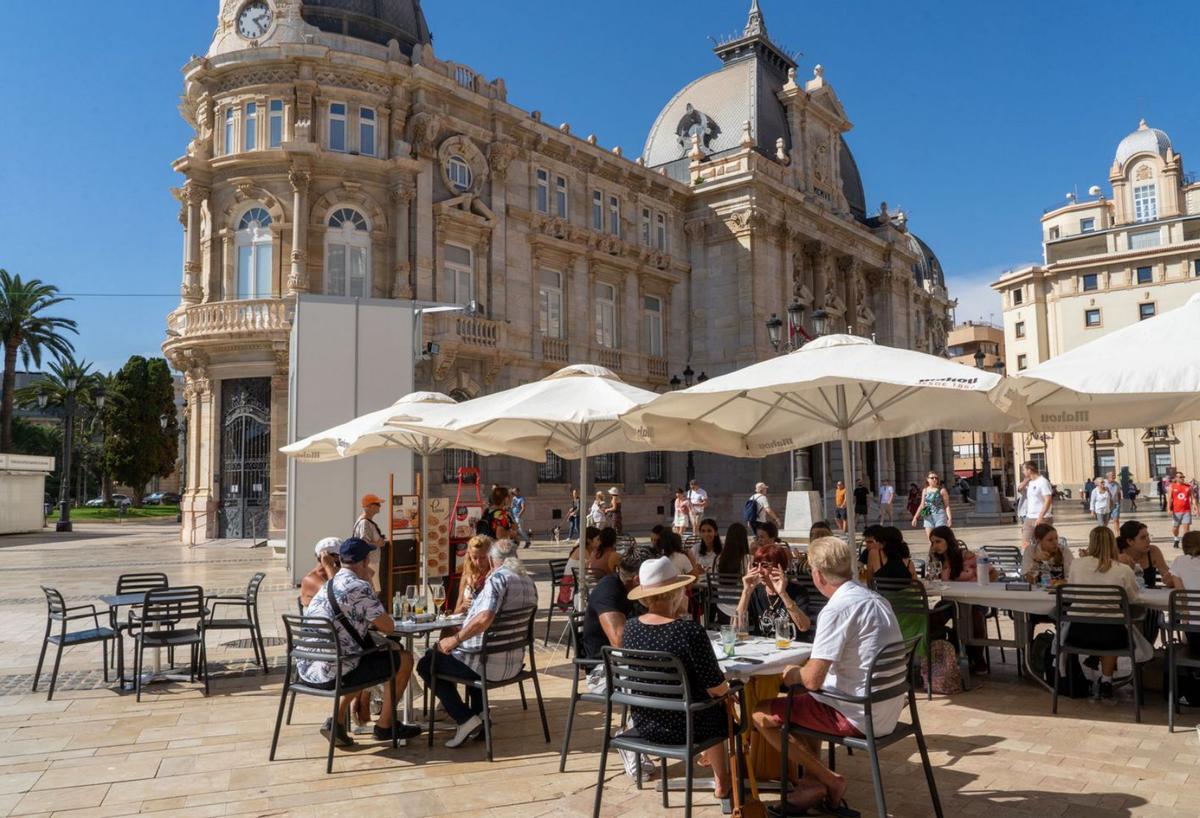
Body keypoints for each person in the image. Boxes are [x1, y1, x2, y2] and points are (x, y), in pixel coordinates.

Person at [751, 536, 902, 815]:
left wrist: (792, 673)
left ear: (817, 575)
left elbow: (812, 679)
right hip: (885, 709)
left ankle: (829, 780)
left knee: (761, 713)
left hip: (857, 714)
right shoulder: (877, 599)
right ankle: (811, 784)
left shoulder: (837, 608)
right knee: (803, 701)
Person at [622, 557, 734, 806]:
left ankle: (718, 770)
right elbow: (715, 686)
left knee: (710, 701)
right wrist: (731, 691)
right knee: (721, 703)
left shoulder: (630, 629)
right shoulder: (689, 631)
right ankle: (723, 780)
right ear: (675, 592)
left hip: (645, 724)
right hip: (689, 727)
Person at [300, 537, 421, 746]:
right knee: (404, 659)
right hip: (335, 672)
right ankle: (385, 725)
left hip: (308, 668)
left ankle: (336, 722)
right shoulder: (359, 587)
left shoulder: (328, 585)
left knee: (368, 657)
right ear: (364, 561)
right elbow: (388, 627)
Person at [417, 539, 538, 747]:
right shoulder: (528, 581)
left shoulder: (498, 579)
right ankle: (481, 716)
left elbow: (484, 619)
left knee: (427, 663)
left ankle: (465, 719)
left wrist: (455, 639)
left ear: (492, 559)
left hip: (487, 665)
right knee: (468, 656)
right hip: (514, 664)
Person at [1066, 526, 1141, 699]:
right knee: (1111, 624)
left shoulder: (1077, 565)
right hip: (1111, 636)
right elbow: (1133, 598)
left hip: (1078, 632)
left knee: (1101, 622)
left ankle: (1092, 672)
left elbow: (1070, 592)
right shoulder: (1122, 569)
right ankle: (1107, 679)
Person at [928, 525, 995, 673]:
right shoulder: (937, 561)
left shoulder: (966, 556)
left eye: (938, 541)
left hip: (974, 599)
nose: (935, 546)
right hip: (951, 600)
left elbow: (992, 572)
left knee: (975, 617)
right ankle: (944, 650)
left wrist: (982, 585)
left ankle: (978, 658)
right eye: (932, 542)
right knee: (934, 618)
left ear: (948, 541)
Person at [581, 545, 653, 660]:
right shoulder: (608, 589)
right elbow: (619, 642)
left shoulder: (637, 591)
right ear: (638, 580)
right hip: (604, 665)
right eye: (654, 577)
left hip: (636, 660)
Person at [736, 539, 811, 638]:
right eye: (755, 565)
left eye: (765, 565)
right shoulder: (755, 591)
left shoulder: (798, 591)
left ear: (780, 567)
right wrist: (746, 592)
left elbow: (804, 627)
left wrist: (783, 594)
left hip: (791, 647)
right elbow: (736, 628)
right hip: (763, 648)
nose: (759, 570)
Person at [1116, 519, 1172, 588]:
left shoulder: (1153, 551)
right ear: (1130, 541)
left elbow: (1168, 577)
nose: (1148, 541)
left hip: (1149, 597)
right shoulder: (1116, 553)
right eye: (1143, 538)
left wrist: (1170, 579)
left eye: (1148, 536)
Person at [352, 493, 387, 592]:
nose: (380, 507)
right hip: (369, 561)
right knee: (374, 590)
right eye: (378, 504)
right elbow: (364, 544)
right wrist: (379, 543)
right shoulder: (365, 523)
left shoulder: (364, 521)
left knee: (373, 589)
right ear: (370, 506)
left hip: (369, 561)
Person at [1017, 460, 1054, 550]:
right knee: (1025, 545)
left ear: (1029, 470)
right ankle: (1028, 562)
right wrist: (1026, 480)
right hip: (1029, 518)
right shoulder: (1030, 482)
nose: (1023, 472)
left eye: (1024, 470)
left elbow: (1048, 499)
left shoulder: (1043, 482)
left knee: (1043, 545)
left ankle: (1044, 562)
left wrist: (1040, 517)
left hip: (1043, 518)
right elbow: (1019, 488)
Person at [453, 535, 493, 614]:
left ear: (490, 556)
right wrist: (463, 606)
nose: (478, 562)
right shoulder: (467, 574)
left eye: (483, 557)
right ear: (469, 557)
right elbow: (456, 612)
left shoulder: (495, 575)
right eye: (474, 558)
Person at [300, 536, 342, 607]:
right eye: (342, 558)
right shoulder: (310, 579)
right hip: (319, 617)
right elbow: (338, 594)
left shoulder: (334, 573)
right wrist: (328, 566)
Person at [910, 472, 952, 542]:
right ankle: (933, 552)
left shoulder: (942, 490)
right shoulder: (925, 490)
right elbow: (921, 504)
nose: (934, 479)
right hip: (927, 516)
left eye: (936, 478)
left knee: (940, 538)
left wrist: (949, 518)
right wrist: (915, 517)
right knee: (930, 539)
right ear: (928, 479)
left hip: (939, 516)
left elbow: (947, 506)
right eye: (932, 478)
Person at [1170, 472, 1196, 548]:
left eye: (1183, 477)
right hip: (1176, 511)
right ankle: (1176, 539)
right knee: (1175, 528)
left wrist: (1195, 507)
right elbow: (1169, 499)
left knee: (1186, 529)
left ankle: (1185, 543)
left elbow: (1192, 498)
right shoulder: (1172, 486)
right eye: (1180, 477)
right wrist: (1168, 509)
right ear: (1176, 478)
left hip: (1186, 510)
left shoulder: (1188, 486)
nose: (1182, 478)